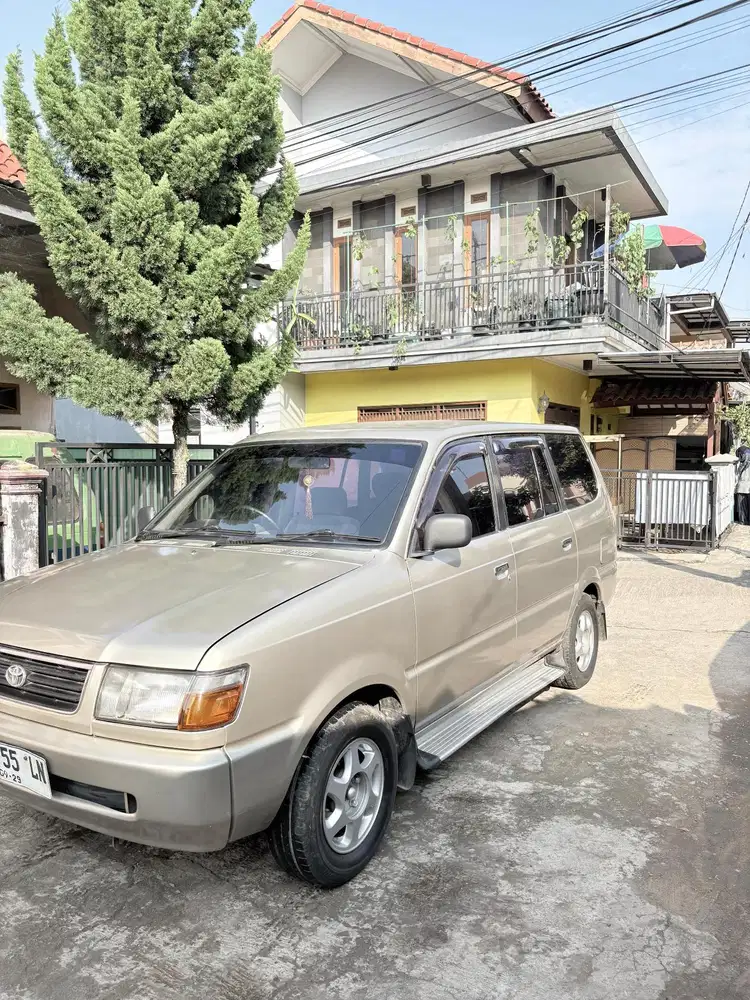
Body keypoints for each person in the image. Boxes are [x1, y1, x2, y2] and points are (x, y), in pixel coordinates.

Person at [736, 446, 750, 525]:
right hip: (745, 487)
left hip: (742, 487)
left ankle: (743, 520)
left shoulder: (740, 464)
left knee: (742, 506)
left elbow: (736, 475)